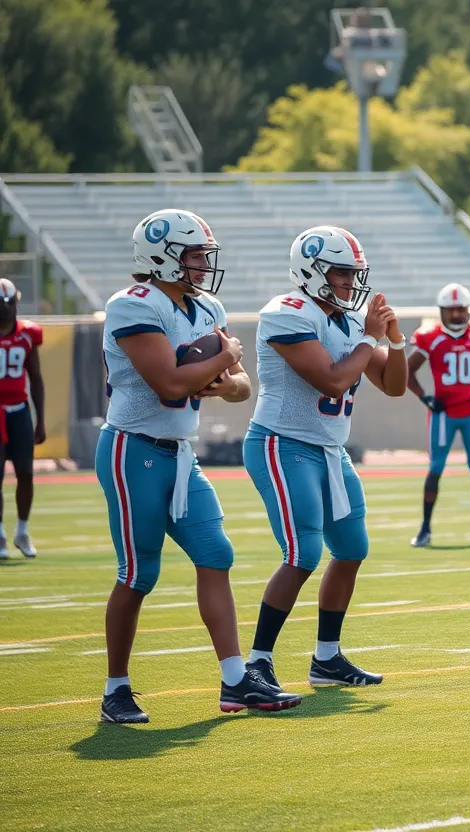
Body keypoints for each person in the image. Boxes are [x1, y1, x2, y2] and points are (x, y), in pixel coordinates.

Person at [98, 209, 300, 723]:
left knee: (216, 554)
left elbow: (241, 386)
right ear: (161, 257)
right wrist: (220, 359)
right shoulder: (131, 304)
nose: (201, 266)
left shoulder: (205, 305)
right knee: (138, 574)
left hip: (180, 453)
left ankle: (236, 681)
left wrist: (217, 374)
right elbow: (168, 384)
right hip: (132, 450)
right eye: (192, 256)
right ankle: (115, 688)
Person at [242, 226, 407, 690]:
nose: (349, 282)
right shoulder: (286, 313)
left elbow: (394, 387)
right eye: (340, 272)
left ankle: (327, 658)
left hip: (329, 449)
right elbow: (332, 381)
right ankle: (257, 661)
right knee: (302, 553)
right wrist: (368, 340)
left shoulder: (351, 322)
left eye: (353, 273)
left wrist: (393, 342)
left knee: (352, 549)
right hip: (282, 442)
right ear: (312, 271)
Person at [408, 283, 470, 547]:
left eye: (460, 310)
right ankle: (425, 529)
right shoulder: (430, 337)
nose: (455, 316)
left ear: (468, 311)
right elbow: (407, 371)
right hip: (443, 417)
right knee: (435, 470)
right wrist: (424, 397)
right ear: (442, 312)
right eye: (451, 311)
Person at [0, 278, 45, 559]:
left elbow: (36, 378)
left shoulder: (28, 334)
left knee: (26, 473)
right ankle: (1, 536)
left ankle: (22, 531)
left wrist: (40, 419)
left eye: (10, 302)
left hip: (19, 411)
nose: (8, 308)